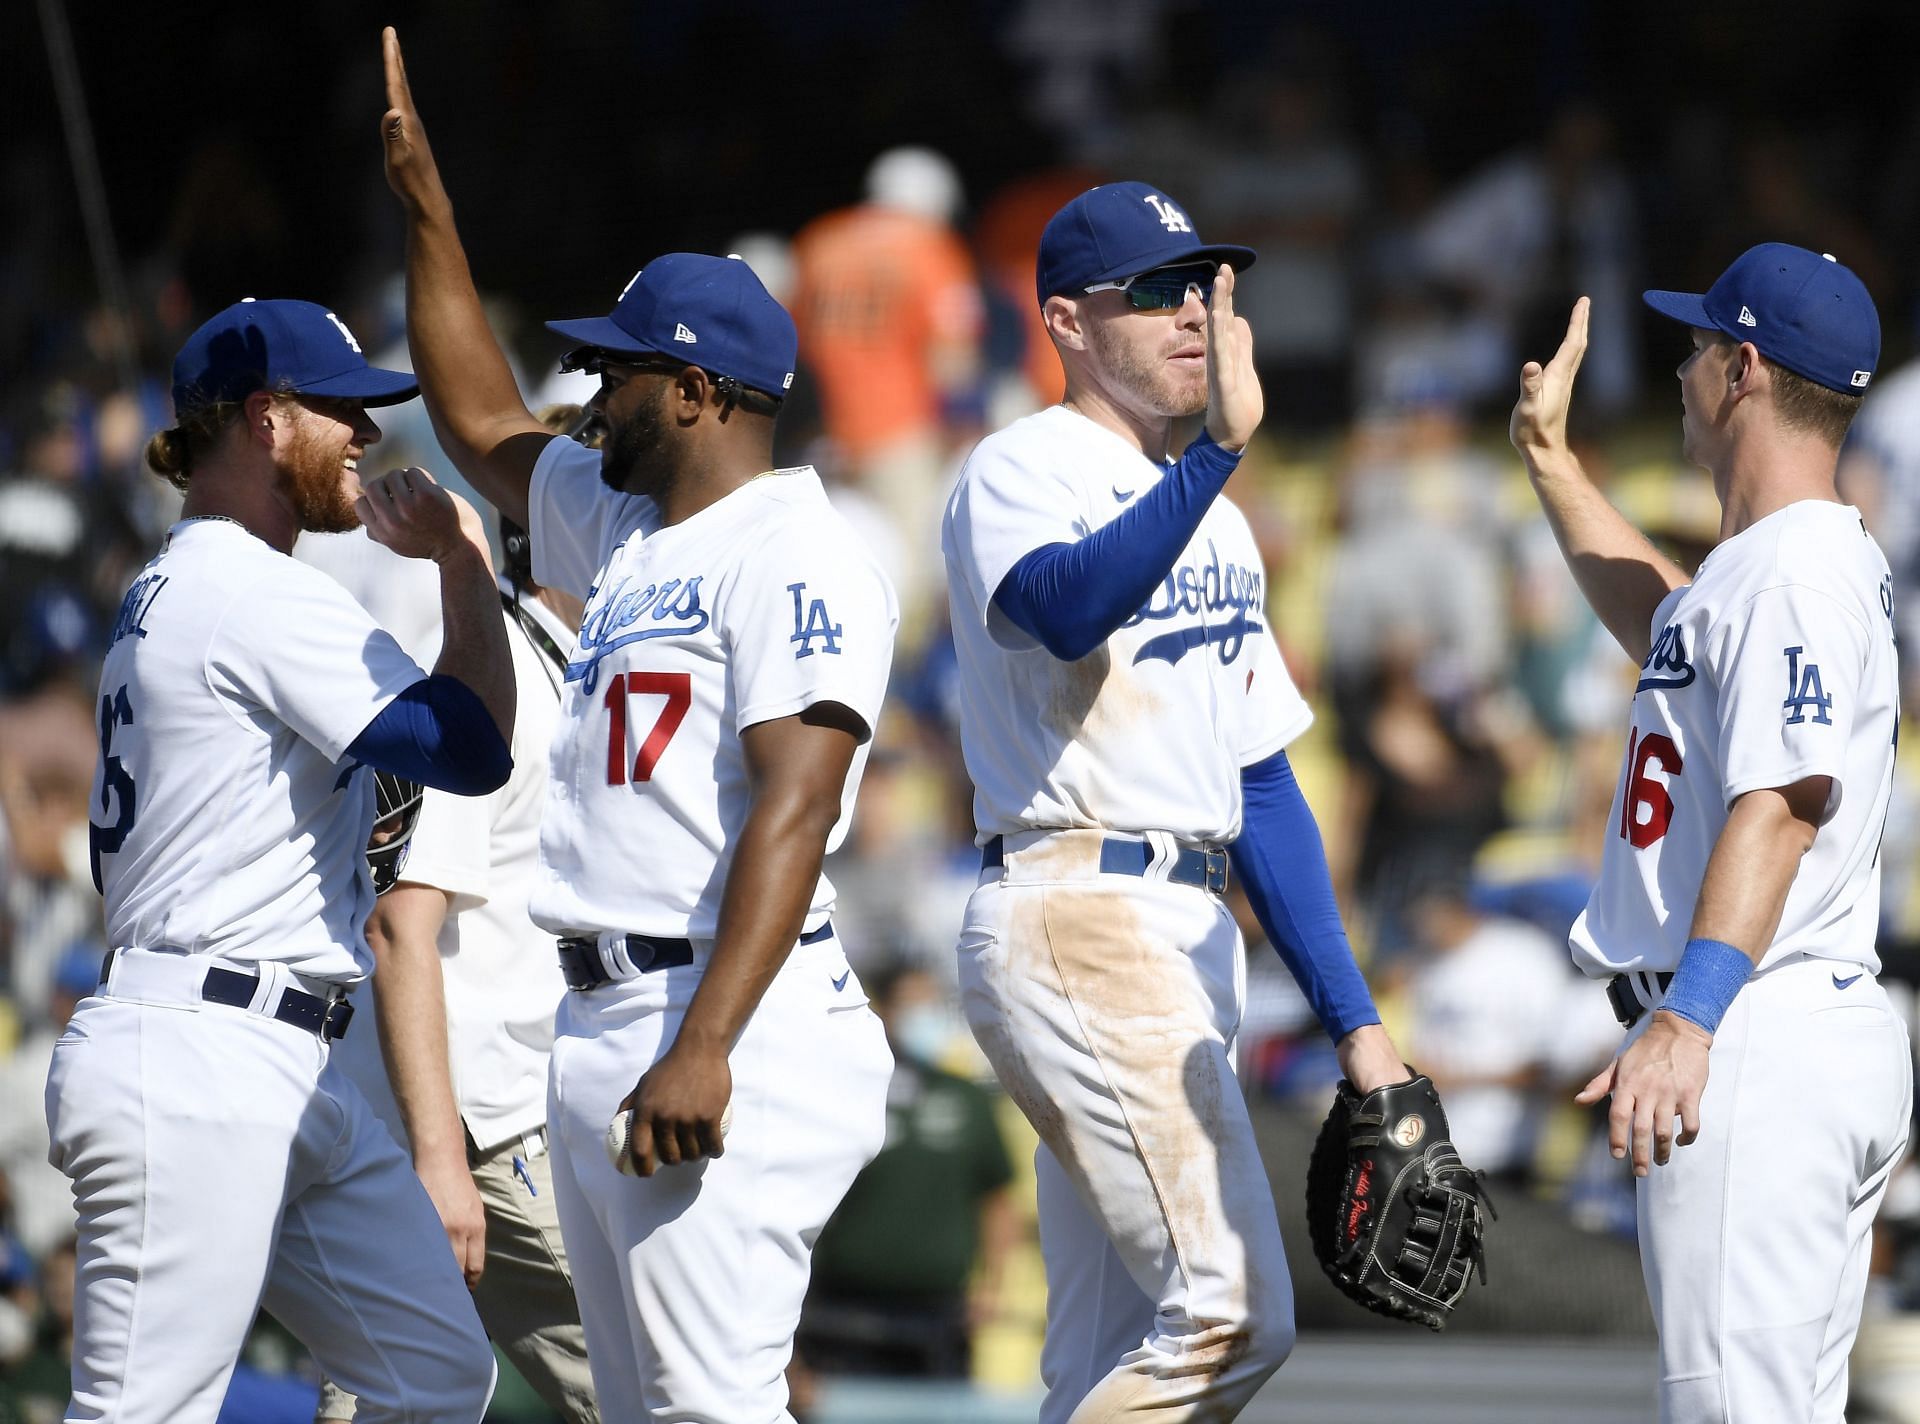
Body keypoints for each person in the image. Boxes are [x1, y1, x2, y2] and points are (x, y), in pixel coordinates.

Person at [378, 29, 898, 1421]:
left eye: (616, 373)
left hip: (725, 1008)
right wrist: (429, 208)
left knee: (709, 1407)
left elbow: (797, 806)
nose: (589, 392)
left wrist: (709, 1040)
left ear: (698, 394)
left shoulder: (796, 550)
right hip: (605, 1008)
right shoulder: (625, 524)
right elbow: (479, 412)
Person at [941, 180, 1415, 1419]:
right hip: (1078, 907)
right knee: (1232, 1314)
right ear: (1066, 322)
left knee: (1105, 1355)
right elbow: (1063, 606)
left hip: (1185, 932)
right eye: (1153, 292)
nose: (1192, 315)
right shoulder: (1019, 468)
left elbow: (1261, 784)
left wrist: (1354, 1024)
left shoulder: (1222, 525)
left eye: (1204, 288)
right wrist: (1213, 458)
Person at [49, 295, 516, 1423]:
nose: (364, 434)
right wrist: (461, 565)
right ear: (264, 417)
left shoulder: (178, 582)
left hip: (283, 1054)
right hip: (199, 1048)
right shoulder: (249, 586)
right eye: (341, 410)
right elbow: (467, 747)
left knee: (438, 1375)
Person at [1509, 248, 1913, 1420]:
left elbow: (1780, 806)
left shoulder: (1791, 575)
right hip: (1784, 1020)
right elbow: (1668, 618)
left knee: (1734, 1408)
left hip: (1752, 1022)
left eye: (1697, 349)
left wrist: (1688, 1014)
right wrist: (1550, 462)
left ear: (1742, 370)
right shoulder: (1767, 570)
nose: (1683, 370)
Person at [305, 510, 597, 1423]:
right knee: (668, 1381)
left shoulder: (560, 669)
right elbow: (401, 922)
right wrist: (437, 1158)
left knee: (402, 1396)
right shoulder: (489, 663)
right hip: (475, 1121)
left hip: (488, 1105)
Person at [800, 963, 1016, 1379]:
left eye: (929, 1004)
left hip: (940, 1314)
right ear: (881, 1008)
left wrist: (991, 1286)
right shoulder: (839, 1090)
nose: (923, 1015)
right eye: (910, 1003)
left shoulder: (966, 1097)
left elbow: (997, 1198)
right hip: (840, 1312)